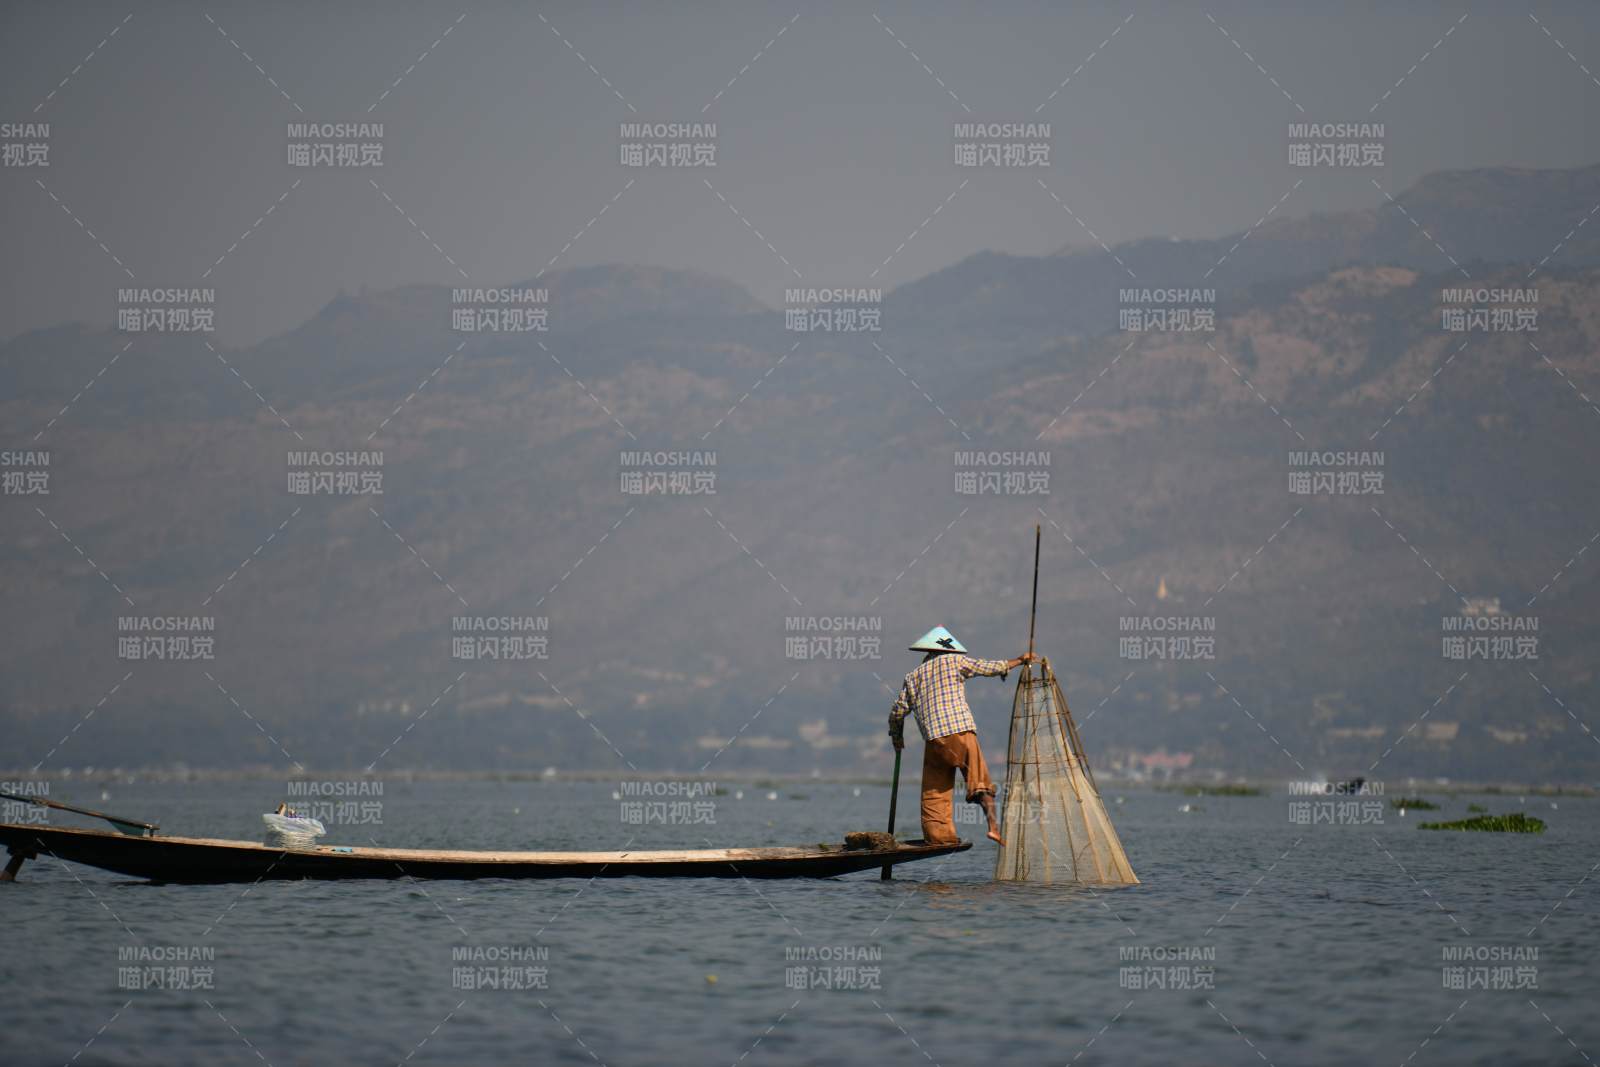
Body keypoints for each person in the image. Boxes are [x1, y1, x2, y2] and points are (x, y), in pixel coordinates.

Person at [887, 626, 1034, 846]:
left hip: (934, 741)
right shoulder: (954, 661)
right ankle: (993, 828)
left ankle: (939, 837)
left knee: (934, 793)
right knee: (979, 781)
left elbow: (897, 713)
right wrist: (1018, 661)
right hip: (960, 733)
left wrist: (897, 740)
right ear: (948, 649)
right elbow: (987, 667)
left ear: (928, 653)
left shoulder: (913, 677)